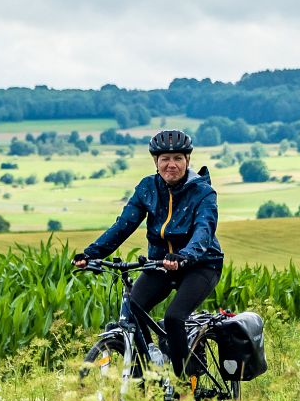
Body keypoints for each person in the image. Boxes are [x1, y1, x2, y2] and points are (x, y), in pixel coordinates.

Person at [73, 129, 224, 380]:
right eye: (165, 159)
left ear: (187, 160)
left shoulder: (203, 193)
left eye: (177, 158)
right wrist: (91, 253)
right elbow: (124, 225)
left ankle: (184, 386)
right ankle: (149, 374)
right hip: (160, 263)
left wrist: (185, 255)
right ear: (156, 161)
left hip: (201, 265)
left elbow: (204, 232)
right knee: (132, 309)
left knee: (174, 317)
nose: (171, 165)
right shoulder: (147, 188)